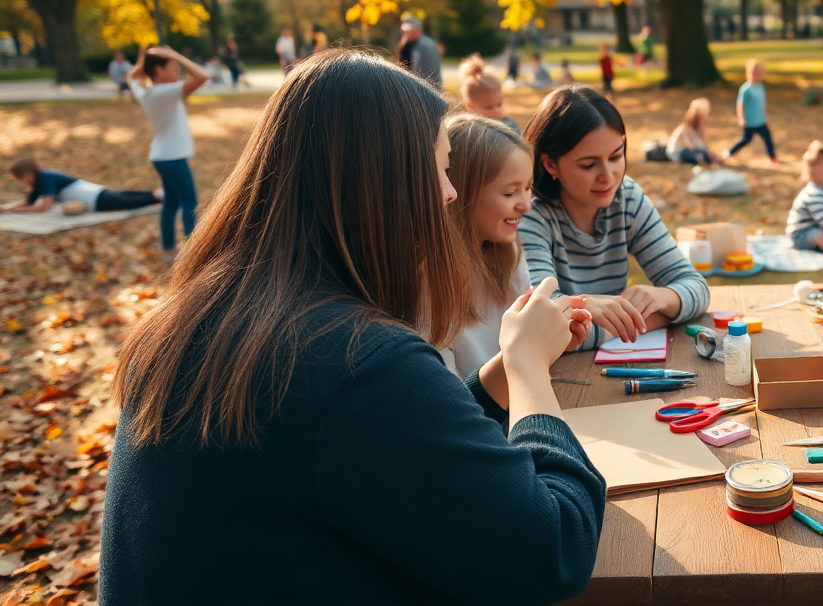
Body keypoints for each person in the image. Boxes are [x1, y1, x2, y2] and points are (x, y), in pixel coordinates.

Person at [101, 50, 604, 604]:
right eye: (438, 169)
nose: (450, 192)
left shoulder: (205, 319)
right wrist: (530, 369)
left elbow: (375, 450)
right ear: (383, 183)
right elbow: (553, 548)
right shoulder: (352, 362)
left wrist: (494, 380)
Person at [518, 86, 709, 348]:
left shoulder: (627, 197)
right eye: (588, 165)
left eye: (616, 156)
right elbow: (541, 321)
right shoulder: (529, 214)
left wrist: (664, 297)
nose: (608, 176)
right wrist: (646, 320)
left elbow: (697, 288)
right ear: (550, 164)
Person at [442, 114, 593, 378]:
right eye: (510, 192)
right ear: (461, 194)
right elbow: (454, 405)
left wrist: (553, 344)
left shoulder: (507, 254)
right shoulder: (432, 292)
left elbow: (523, 364)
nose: (526, 204)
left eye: (527, 188)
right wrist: (530, 350)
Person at [128, 46, 207, 263]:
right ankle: (195, 255)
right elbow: (202, 76)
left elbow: (132, 76)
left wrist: (147, 58)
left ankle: (168, 251)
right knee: (189, 203)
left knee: (171, 203)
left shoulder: (146, 92)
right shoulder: (165, 92)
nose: (179, 71)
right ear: (158, 72)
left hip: (162, 156)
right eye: (174, 67)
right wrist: (178, 54)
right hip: (173, 158)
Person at [0, 157, 161, 214]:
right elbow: (29, 203)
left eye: (22, 179)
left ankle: (157, 196)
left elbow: (44, 206)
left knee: (124, 202)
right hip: (90, 194)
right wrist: (6, 209)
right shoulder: (37, 182)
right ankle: (156, 194)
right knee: (122, 196)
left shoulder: (44, 178)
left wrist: (18, 210)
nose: (22, 183)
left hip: (90, 198)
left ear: (28, 174)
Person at [723, 59, 777, 163]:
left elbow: (761, 100)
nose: (757, 76)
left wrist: (766, 108)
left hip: (761, 120)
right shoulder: (746, 89)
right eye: (754, 74)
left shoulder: (760, 86)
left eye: (760, 74)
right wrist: (741, 119)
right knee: (746, 140)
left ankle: (773, 157)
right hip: (750, 122)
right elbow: (740, 105)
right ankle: (730, 152)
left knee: (768, 139)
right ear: (748, 74)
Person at [458, 54, 519, 133]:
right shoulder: (467, 133)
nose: (497, 110)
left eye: (499, 105)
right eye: (489, 107)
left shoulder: (509, 127)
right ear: (471, 106)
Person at [666, 98, 718, 166]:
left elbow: (705, 146)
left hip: (691, 151)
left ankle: (710, 162)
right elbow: (690, 146)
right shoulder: (686, 127)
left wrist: (710, 154)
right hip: (679, 152)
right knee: (699, 154)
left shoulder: (700, 128)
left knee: (703, 153)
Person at [398, 16, 442, 88]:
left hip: (426, 90)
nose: (404, 33)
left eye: (407, 30)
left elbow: (425, 74)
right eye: (403, 31)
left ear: (417, 30)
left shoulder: (425, 46)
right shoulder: (409, 45)